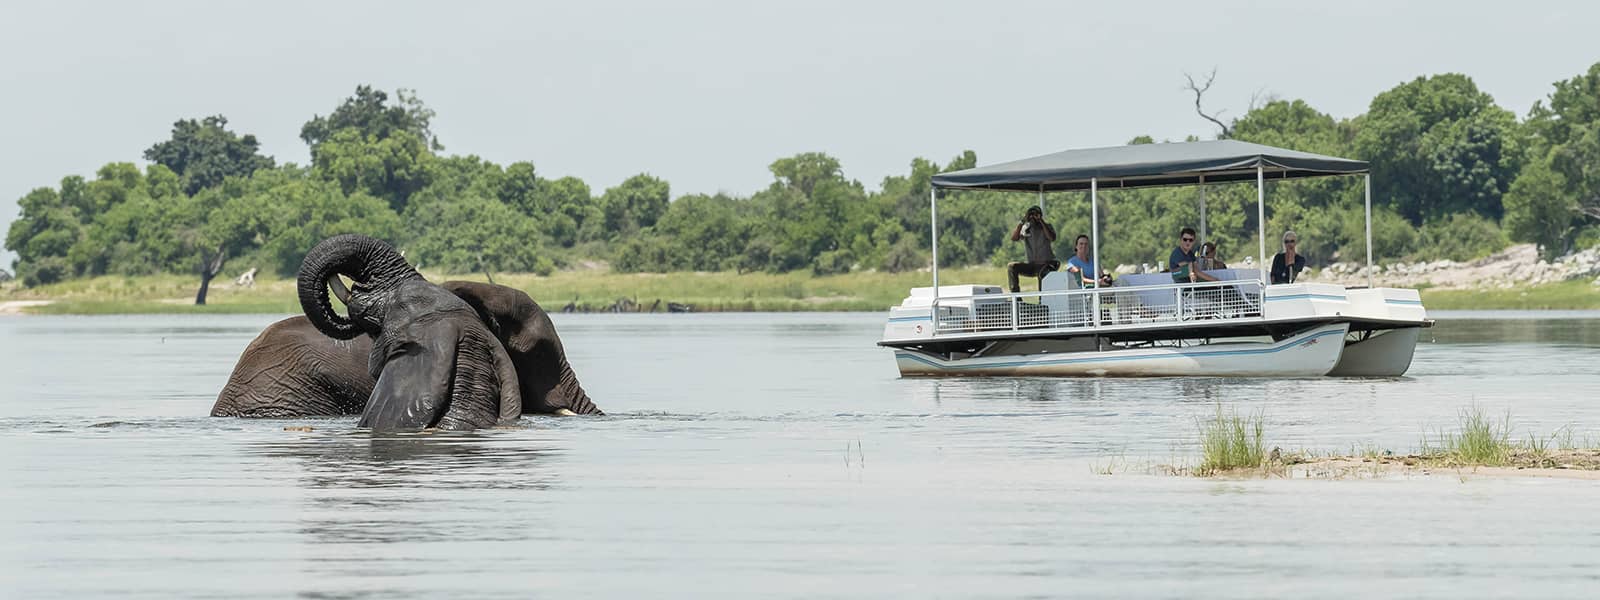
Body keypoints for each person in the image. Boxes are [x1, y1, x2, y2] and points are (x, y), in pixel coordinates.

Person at [1007, 206, 1059, 293]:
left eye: (1035, 215)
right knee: (1011, 267)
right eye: (1031, 215)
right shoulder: (1026, 228)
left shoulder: (1047, 227)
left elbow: (1051, 238)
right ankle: (1016, 298)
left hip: (1046, 264)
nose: (1033, 218)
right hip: (1032, 265)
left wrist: (1041, 221)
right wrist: (1023, 221)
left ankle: (1043, 302)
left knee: (1042, 273)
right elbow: (1014, 238)